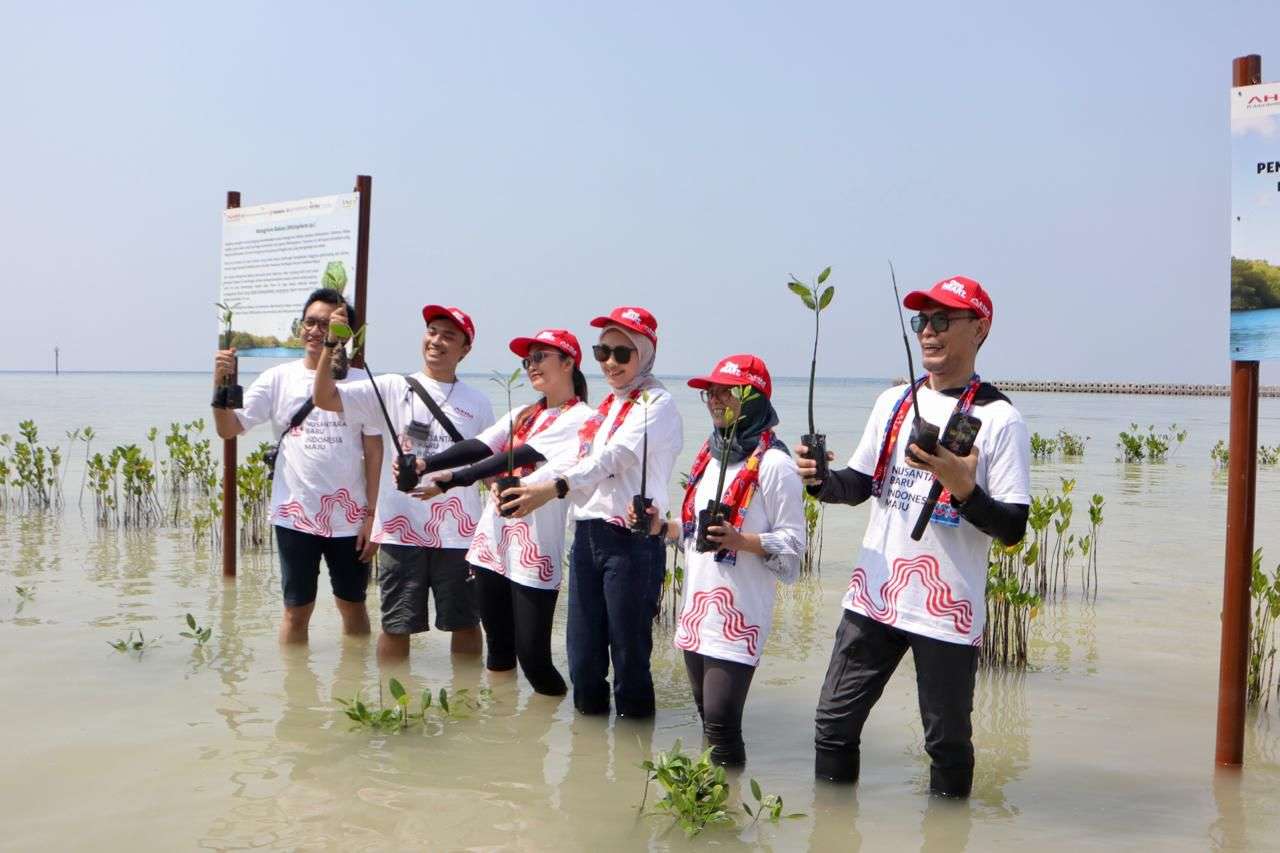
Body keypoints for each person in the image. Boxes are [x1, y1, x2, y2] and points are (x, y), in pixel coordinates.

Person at [802, 275, 1030, 798]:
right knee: (832, 726)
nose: (928, 331)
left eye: (942, 320)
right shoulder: (892, 402)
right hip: (875, 595)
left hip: (946, 610)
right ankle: (833, 833)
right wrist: (820, 481)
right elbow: (859, 484)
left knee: (946, 745)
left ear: (980, 328)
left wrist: (965, 490)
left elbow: (1013, 527)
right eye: (921, 321)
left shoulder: (999, 418)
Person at [503, 306, 683, 718]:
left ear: (645, 353)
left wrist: (553, 489)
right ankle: (586, 768)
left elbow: (614, 458)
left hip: (632, 543)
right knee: (582, 660)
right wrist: (530, 484)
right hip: (586, 537)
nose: (609, 363)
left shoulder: (657, 404)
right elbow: (577, 457)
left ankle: (631, 763)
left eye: (623, 354)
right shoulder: (606, 407)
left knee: (629, 661)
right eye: (603, 352)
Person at [638, 353, 805, 766]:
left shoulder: (776, 464)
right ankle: (710, 804)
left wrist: (740, 539)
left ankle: (725, 824)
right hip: (698, 609)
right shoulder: (710, 456)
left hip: (739, 612)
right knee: (707, 720)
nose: (713, 399)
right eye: (709, 393)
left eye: (724, 392)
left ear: (753, 399)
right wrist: (662, 526)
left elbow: (793, 549)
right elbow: (695, 534)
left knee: (721, 722)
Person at [410, 329, 592, 695]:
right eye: (528, 361)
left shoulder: (584, 418)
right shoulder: (524, 412)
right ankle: (501, 729)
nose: (531, 366)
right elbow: (480, 445)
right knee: (498, 651)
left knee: (534, 659)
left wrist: (450, 481)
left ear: (569, 362)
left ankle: (549, 735)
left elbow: (519, 456)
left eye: (541, 357)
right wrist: (428, 463)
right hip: (492, 543)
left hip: (535, 548)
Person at [312, 303, 495, 662]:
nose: (437, 341)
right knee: (396, 625)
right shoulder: (393, 387)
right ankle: (395, 707)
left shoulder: (479, 402)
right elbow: (324, 398)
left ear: (465, 349)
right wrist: (332, 344)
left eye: (449, 336)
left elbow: (488, 464)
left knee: (467, 623)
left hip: (459, 535)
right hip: (400, 531)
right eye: (432, 332)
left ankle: (468, 706)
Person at [212, 288, 382, 644]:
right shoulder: (278, 378)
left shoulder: (362, 383)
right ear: (300, 327)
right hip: (295, 515)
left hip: (349, 519)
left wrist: (372, 516)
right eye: (310, 322)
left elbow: (374, 452)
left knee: (352, 605)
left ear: (345, 333)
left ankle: (353, 685)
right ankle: (294, 697)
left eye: (328, 324)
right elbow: (229, 428)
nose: (316, 330)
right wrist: (219, 386)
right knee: (295, 611)